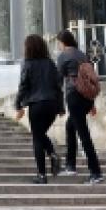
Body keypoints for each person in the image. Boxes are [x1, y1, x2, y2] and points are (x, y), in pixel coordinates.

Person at [14, 33, 64, 183]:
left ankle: (42, 174)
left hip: (36, 105)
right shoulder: (50, 63)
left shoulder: (28, 64)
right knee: (40, 134)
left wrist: (18, 105)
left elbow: (23, 86)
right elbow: (58, 87)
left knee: (37, 137)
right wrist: (61, 107)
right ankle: (52, 153)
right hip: (52, 105)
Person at [55, 29, 104, 183]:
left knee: (83, 135)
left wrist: (58, 105)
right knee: (71, 126)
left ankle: (96, 172)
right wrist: (92, 104)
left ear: (62, 42)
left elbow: (58, 79)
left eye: (58, 43)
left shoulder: (64, 56)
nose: (58, 46)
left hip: (74, 96)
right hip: (86, 98)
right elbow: (89, 78)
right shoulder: (82, 54)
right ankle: (70, 166)